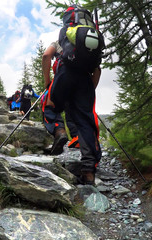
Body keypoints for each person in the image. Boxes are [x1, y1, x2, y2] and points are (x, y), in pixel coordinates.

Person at [42, 39, 102, 185]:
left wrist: (47, 82)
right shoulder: (90, 44)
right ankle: (88, 172)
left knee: (49, 106)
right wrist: (88, 92)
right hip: (85, 80)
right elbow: (97, 70)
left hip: (64, 76)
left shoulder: (60, 41)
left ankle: (59, 130)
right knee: (85, 122)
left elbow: (46, 56)